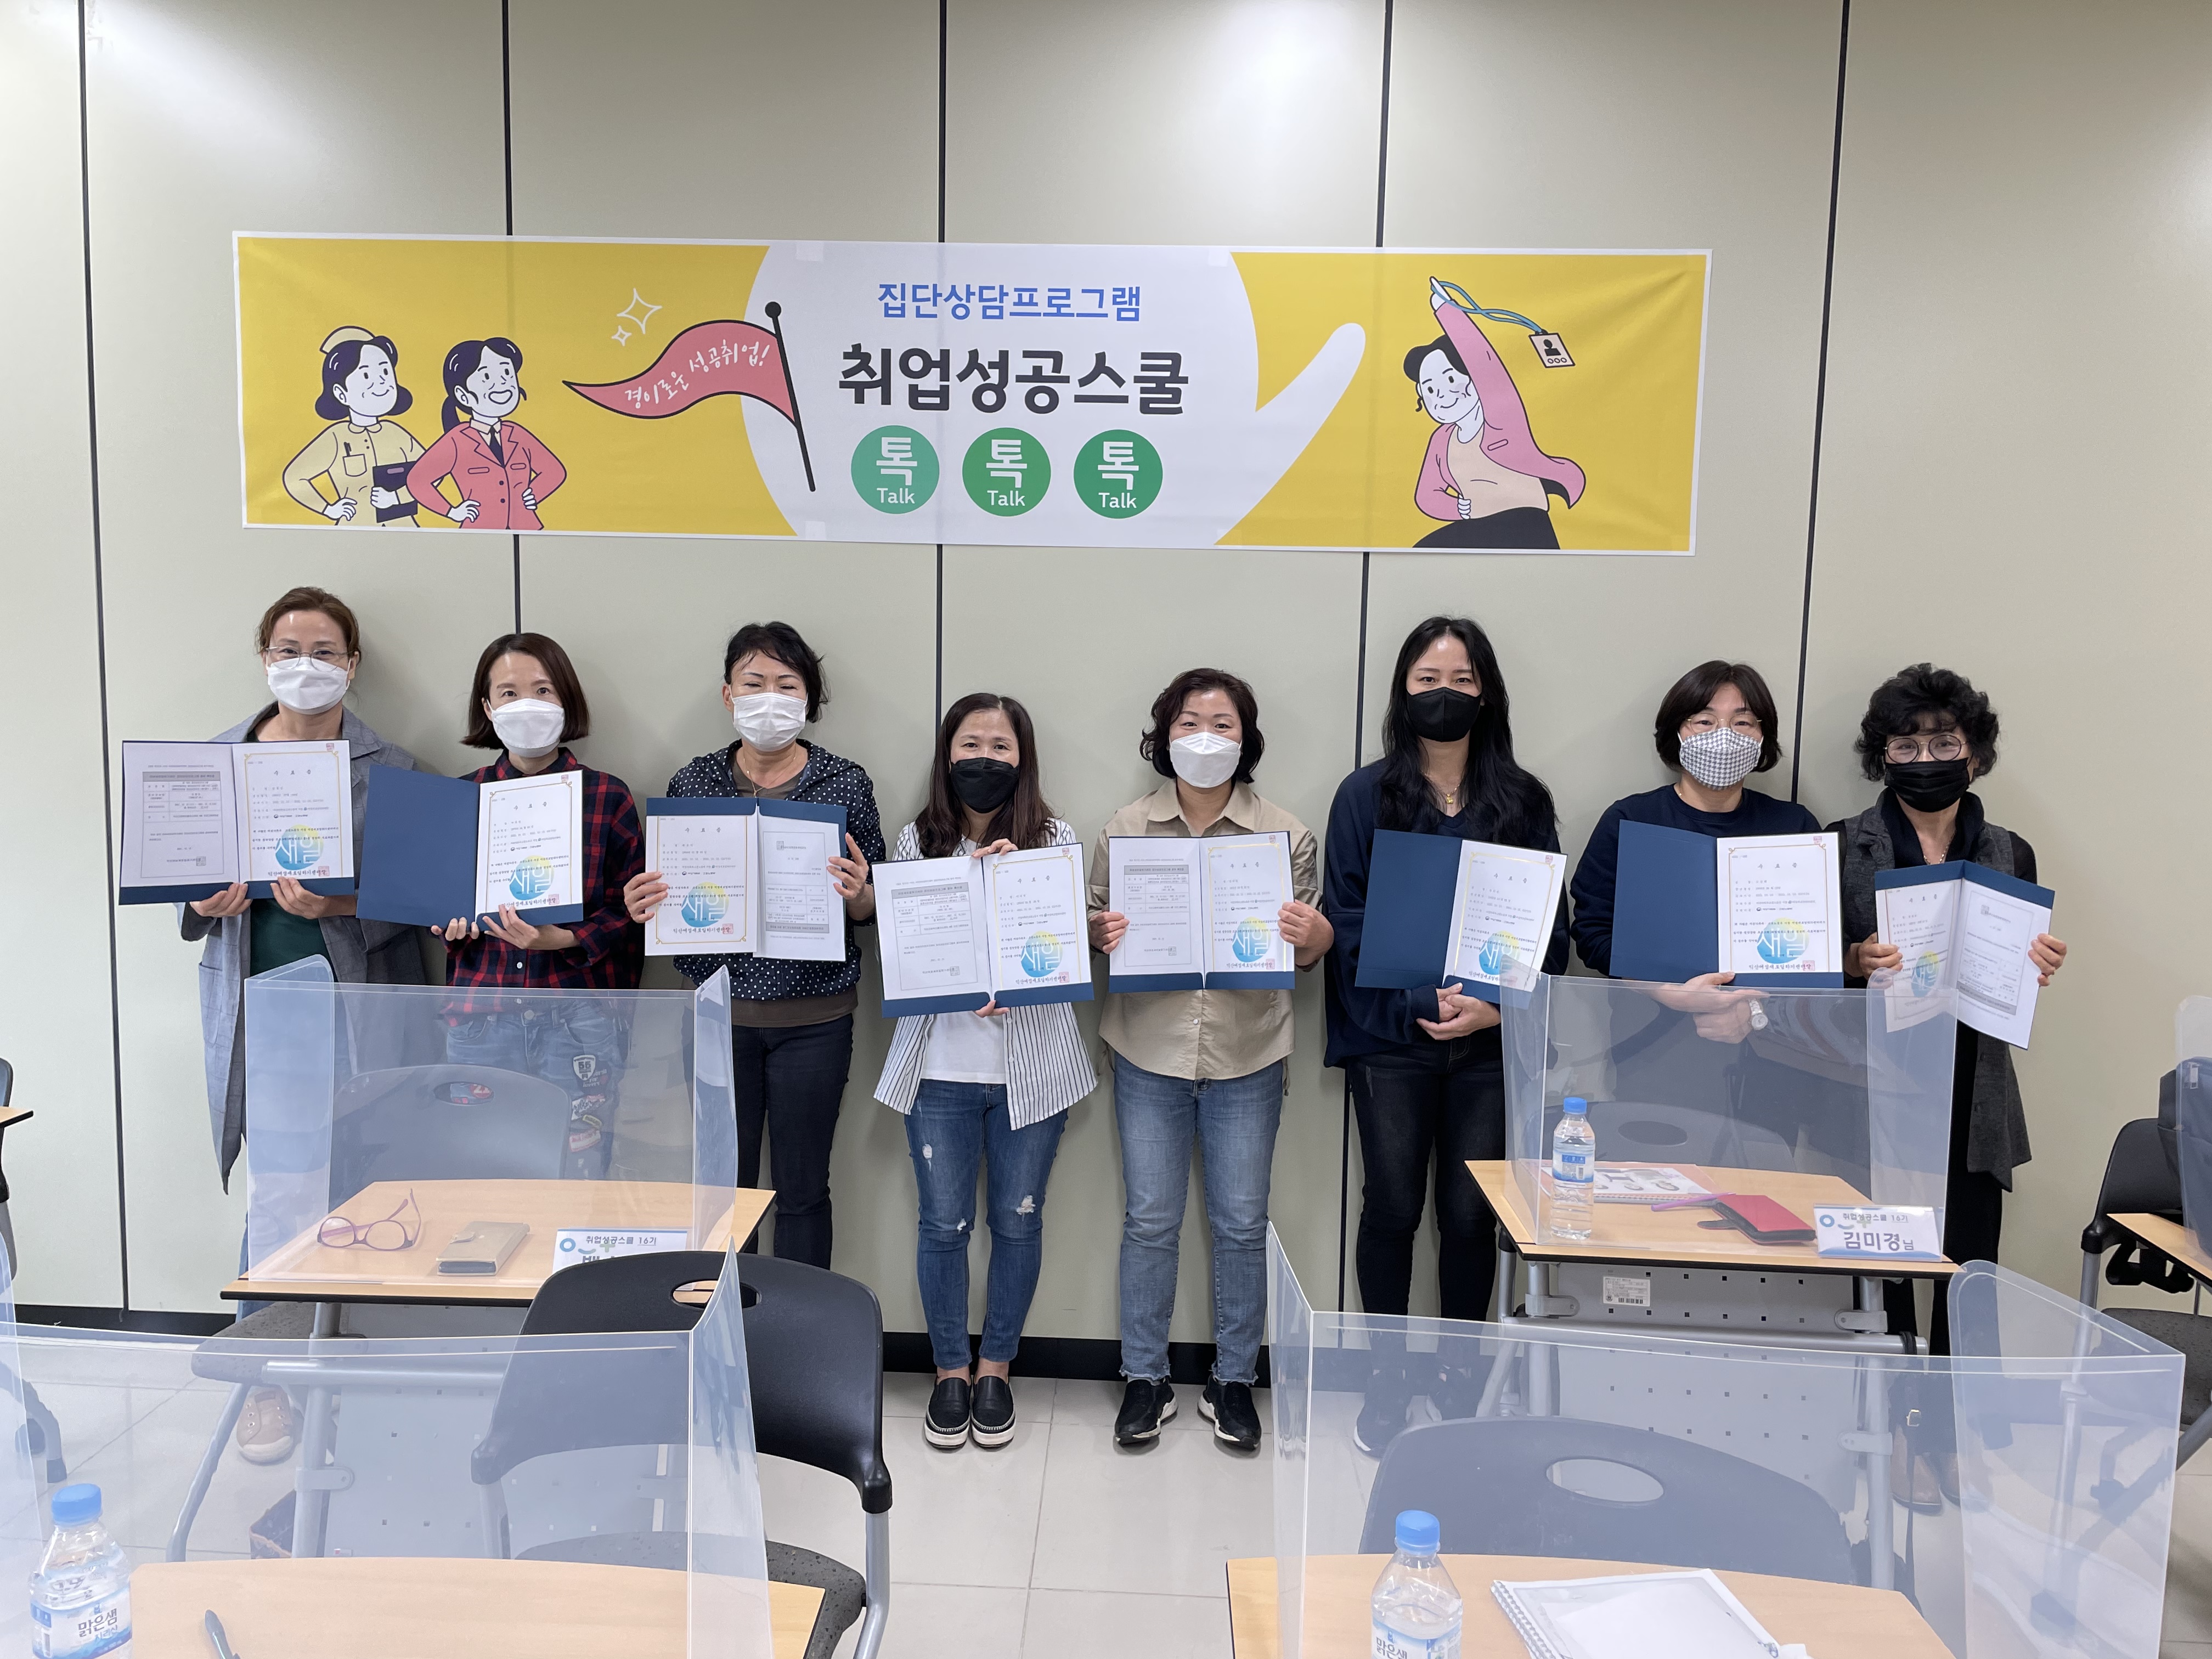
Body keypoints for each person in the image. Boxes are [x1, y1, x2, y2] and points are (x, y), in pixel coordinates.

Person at [180, 585, 428, 1465]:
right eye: (289, 649)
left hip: (358, 1001)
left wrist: (341, 904)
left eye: (325, 651)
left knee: (373, 1192)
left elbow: (419, 900)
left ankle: (351, 1370)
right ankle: (268, 1385)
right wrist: (202, 902)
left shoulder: (393, 768)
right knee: (282, 1197)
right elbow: (179, 880)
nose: (306, 666)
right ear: (264, 658)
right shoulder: (217, 761)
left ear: (352, 665)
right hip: (265, 1006)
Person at [1322, 616, 1568, 1454]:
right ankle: (1386, 1378)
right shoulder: (1365, 796)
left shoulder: (1524, 801)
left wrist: (1497, 1006)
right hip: (1391, 1039)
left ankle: (1463, 1373)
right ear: (1402, 692)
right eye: (1427, 680)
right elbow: (1347, 922)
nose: (1444, 694)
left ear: (1487, 692)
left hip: (1491, 1046)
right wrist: (1420, 1001)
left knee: (1469, 1217)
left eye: (1461, 679)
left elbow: (1551, 932)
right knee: (1392, 1207)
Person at [1086, 669, 1330, 1453]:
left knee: (1241, 1224)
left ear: (1245, 739)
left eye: (1223, 724)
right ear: (1164, 736)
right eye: (1189, 722)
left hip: (1248, 1051)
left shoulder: (1284, 834)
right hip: (1148, 1048)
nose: (1205, 737)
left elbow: (1311, 947)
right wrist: (1099, 934)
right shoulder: (1127, 827)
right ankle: (1144, 1377)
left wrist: (1314, 938)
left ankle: (1234, 1380)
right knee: (1149, 1221)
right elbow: (1088, 922)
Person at [623, 622, 885, 1269]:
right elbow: (667, 897)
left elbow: (871, 906)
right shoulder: (694, 783)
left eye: (787, 685)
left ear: (808, 699)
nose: (770, 698)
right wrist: (645, 905)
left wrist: (860, 894)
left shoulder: (845, 782)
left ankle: (801, 1321)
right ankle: (727, 1317)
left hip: (816, 1021)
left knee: (803, 1190)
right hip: (718, 1018)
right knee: (723, 1191)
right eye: (754, 683)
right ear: (728, 695)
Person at [872, 693, 1093, 1452]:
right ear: (948, 754)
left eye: (1001, 746)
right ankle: (949, 1370)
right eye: (971, 744)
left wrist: (1016, 883)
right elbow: (906, 950)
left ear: (1022, 759)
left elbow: (1061, 945)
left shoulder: (1054, 838)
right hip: (939, 1066)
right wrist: (962, 883)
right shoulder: (917, 841)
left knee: (1018, 1220)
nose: (986, 759)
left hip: (1035, 1066)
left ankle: (996, 1366)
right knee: (943, 1225)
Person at [1831, 665, 2067, 1360]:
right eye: (1905, 746)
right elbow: (1811, 974)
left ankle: (1956, 1417)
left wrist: (2037, 965)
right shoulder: (1842, 842)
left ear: (1976, 755)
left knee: (1969, 1272)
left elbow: (2016, 965)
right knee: (1881, 1274)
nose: (1925, 760)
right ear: (1882, 757)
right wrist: (1855, 961)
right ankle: (1890, 1415)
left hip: (1973, 1086)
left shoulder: (2010, 851)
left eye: (1944, 743)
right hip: (1873, 1084)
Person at [431, 633, 644, 1156]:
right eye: (508, 693)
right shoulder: (460, 798)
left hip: (578, 1021)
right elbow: (438, 904)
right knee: (483, 1170)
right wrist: (449, 927)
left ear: (565, 701)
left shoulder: (607, 795)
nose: (526, 704)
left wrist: (566, 939)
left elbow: (633, 910)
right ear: (488, 708)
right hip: (484, 1015)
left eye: (543, 690)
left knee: (579, 1171)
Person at [1568, 659, 1819, 977]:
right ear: (1676, 732)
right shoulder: (1631, 821)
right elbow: (1593, 931)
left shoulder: (1795, 828)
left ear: (1762, 736)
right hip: (1649, 1006)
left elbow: (1816, 938)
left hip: (1767, 1005)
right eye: (1704, 721)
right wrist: (1668, 991)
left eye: (1742, 722)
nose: (1724, 736)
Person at [1404, 276, 1585, 549]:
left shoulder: (1500, 417)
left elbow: (1485, 361)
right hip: (1479, 528)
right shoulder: (1442, 439)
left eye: (1450, 379)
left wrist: (1446, 309)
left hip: (1525, 523)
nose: (1441, 395)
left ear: (1474, 376)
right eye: (1429, 389)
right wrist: (1457, 509)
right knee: (1421, 553)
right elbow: (1427, 494)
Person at [405, 337, 566, 531]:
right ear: (463, 395)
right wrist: (451, 511)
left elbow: (554, 471)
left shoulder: (517, 434)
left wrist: (535, 493)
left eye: (507, 373)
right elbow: (417, 480)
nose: (503, 383)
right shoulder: (457, 440)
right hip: (479, 532)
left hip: (526, 529)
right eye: (487, 377)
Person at [279, 326, 426, 527]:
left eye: (385, 371)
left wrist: (396, 497)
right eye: (366, 376)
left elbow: (431, 474)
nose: (381, 382)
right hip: (355, 531)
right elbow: (294, 478)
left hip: (404, 529)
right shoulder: (336, 437)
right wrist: (328, 509)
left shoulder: (395, 433)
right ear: (341, 394)